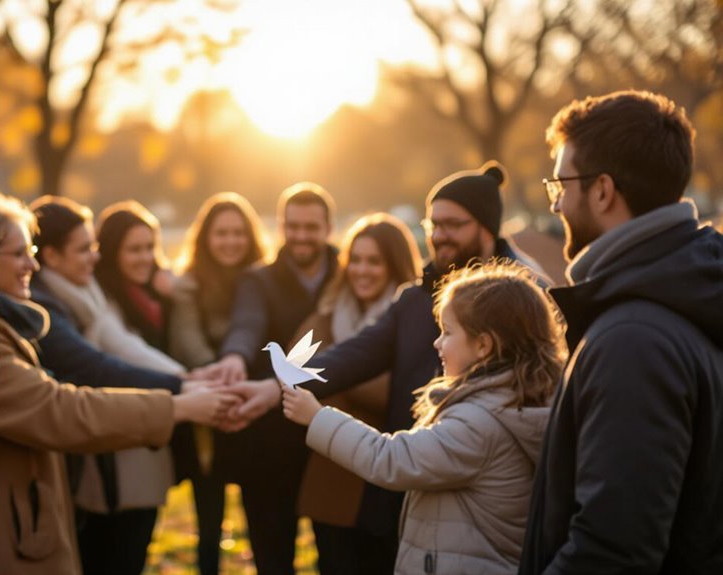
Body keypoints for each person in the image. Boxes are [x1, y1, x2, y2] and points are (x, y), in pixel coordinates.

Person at [224, 161, 544, 573]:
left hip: (484, 495)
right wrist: (276, 385)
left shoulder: (526, 298)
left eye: (454, 224)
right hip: (408, 486)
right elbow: (357, 352)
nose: (440, 235)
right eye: (434, 224)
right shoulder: (414, 300)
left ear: (486, 226)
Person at [0, 194, 236, 575]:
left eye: (33, 251)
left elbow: (120, 348)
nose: (32, 264)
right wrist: (179, 402)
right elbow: (58, 407)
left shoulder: (11, 321)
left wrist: (188, 382)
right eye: (20, 254)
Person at [520, 91, 723, 573]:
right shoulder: (686, 293)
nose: (556, 205)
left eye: (560, 185)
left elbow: (611, 552)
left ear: (603, 191)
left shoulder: (634, 341)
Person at [282, 264, 563, 574]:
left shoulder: (478, 424)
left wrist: (317, 417)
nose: (437, 342)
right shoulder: (515, 401)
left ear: (484, 345)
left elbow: (390, 458)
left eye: (448, 332)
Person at [28, 195, 186, 575]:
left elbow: (123, 347)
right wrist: (186, 387)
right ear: (51, 256)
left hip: (117, 448)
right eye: (84, 249)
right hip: (85, 462)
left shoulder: (85, 295)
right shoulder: (48, 307)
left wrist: (191, 380)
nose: (94, 258)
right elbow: (97, 366)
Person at [207, 182, 340, 575]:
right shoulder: (258, 280)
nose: (301, 236)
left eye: (310, 227)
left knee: (337, 554)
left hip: (331, 433)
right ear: (281, 226)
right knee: (272, 553)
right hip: (268, 440)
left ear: (328, 227)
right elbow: (247, 324)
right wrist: (234, 355)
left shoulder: (349, 272)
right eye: (293, 226)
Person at [291, 212, 422, 574]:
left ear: (394, 264)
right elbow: (290, 370)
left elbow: (401, 393)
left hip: (386, 482)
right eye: (356, 260)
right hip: (333, 483)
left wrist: (339, 374)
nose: (362, 271)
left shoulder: (414, 319)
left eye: (375, 261)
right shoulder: (331, 313)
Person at [168, 192, 269, 575]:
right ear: (205, 237)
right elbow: (186, 340)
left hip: (254, 415)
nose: (230, 242)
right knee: (208, 526)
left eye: (238, 233)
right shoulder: (189, 285)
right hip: (207, 417)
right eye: (221, 233)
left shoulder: (263, 281)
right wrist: (220, 382)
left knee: (262, 523)